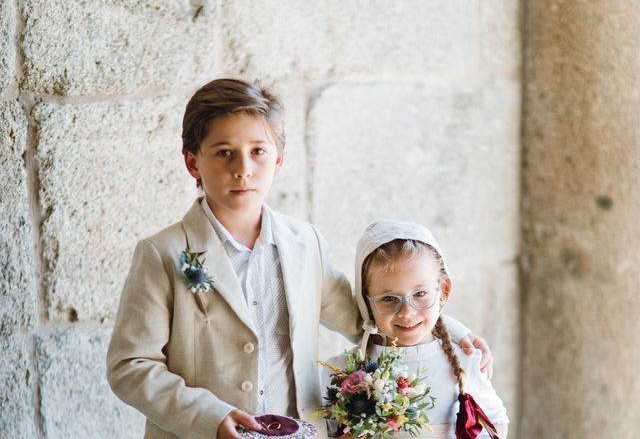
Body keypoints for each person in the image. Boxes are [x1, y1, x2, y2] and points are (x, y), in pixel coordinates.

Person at [106, 78, 493, 439]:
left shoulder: (304, 243)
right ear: (193, 162)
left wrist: (453, 333)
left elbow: (368, 314)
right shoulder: (163, 253)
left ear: (277, 161)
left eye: (258, 152)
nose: (243, 169)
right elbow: (131, 366)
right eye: (224, 153)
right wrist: (210, 416)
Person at [323, 220, 509, 438]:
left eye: (420, 294)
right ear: (366, 301)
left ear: (443, 291)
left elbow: (496, 421)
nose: (406, 312)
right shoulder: (342, 372)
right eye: (389, 299)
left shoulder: (464, 361)